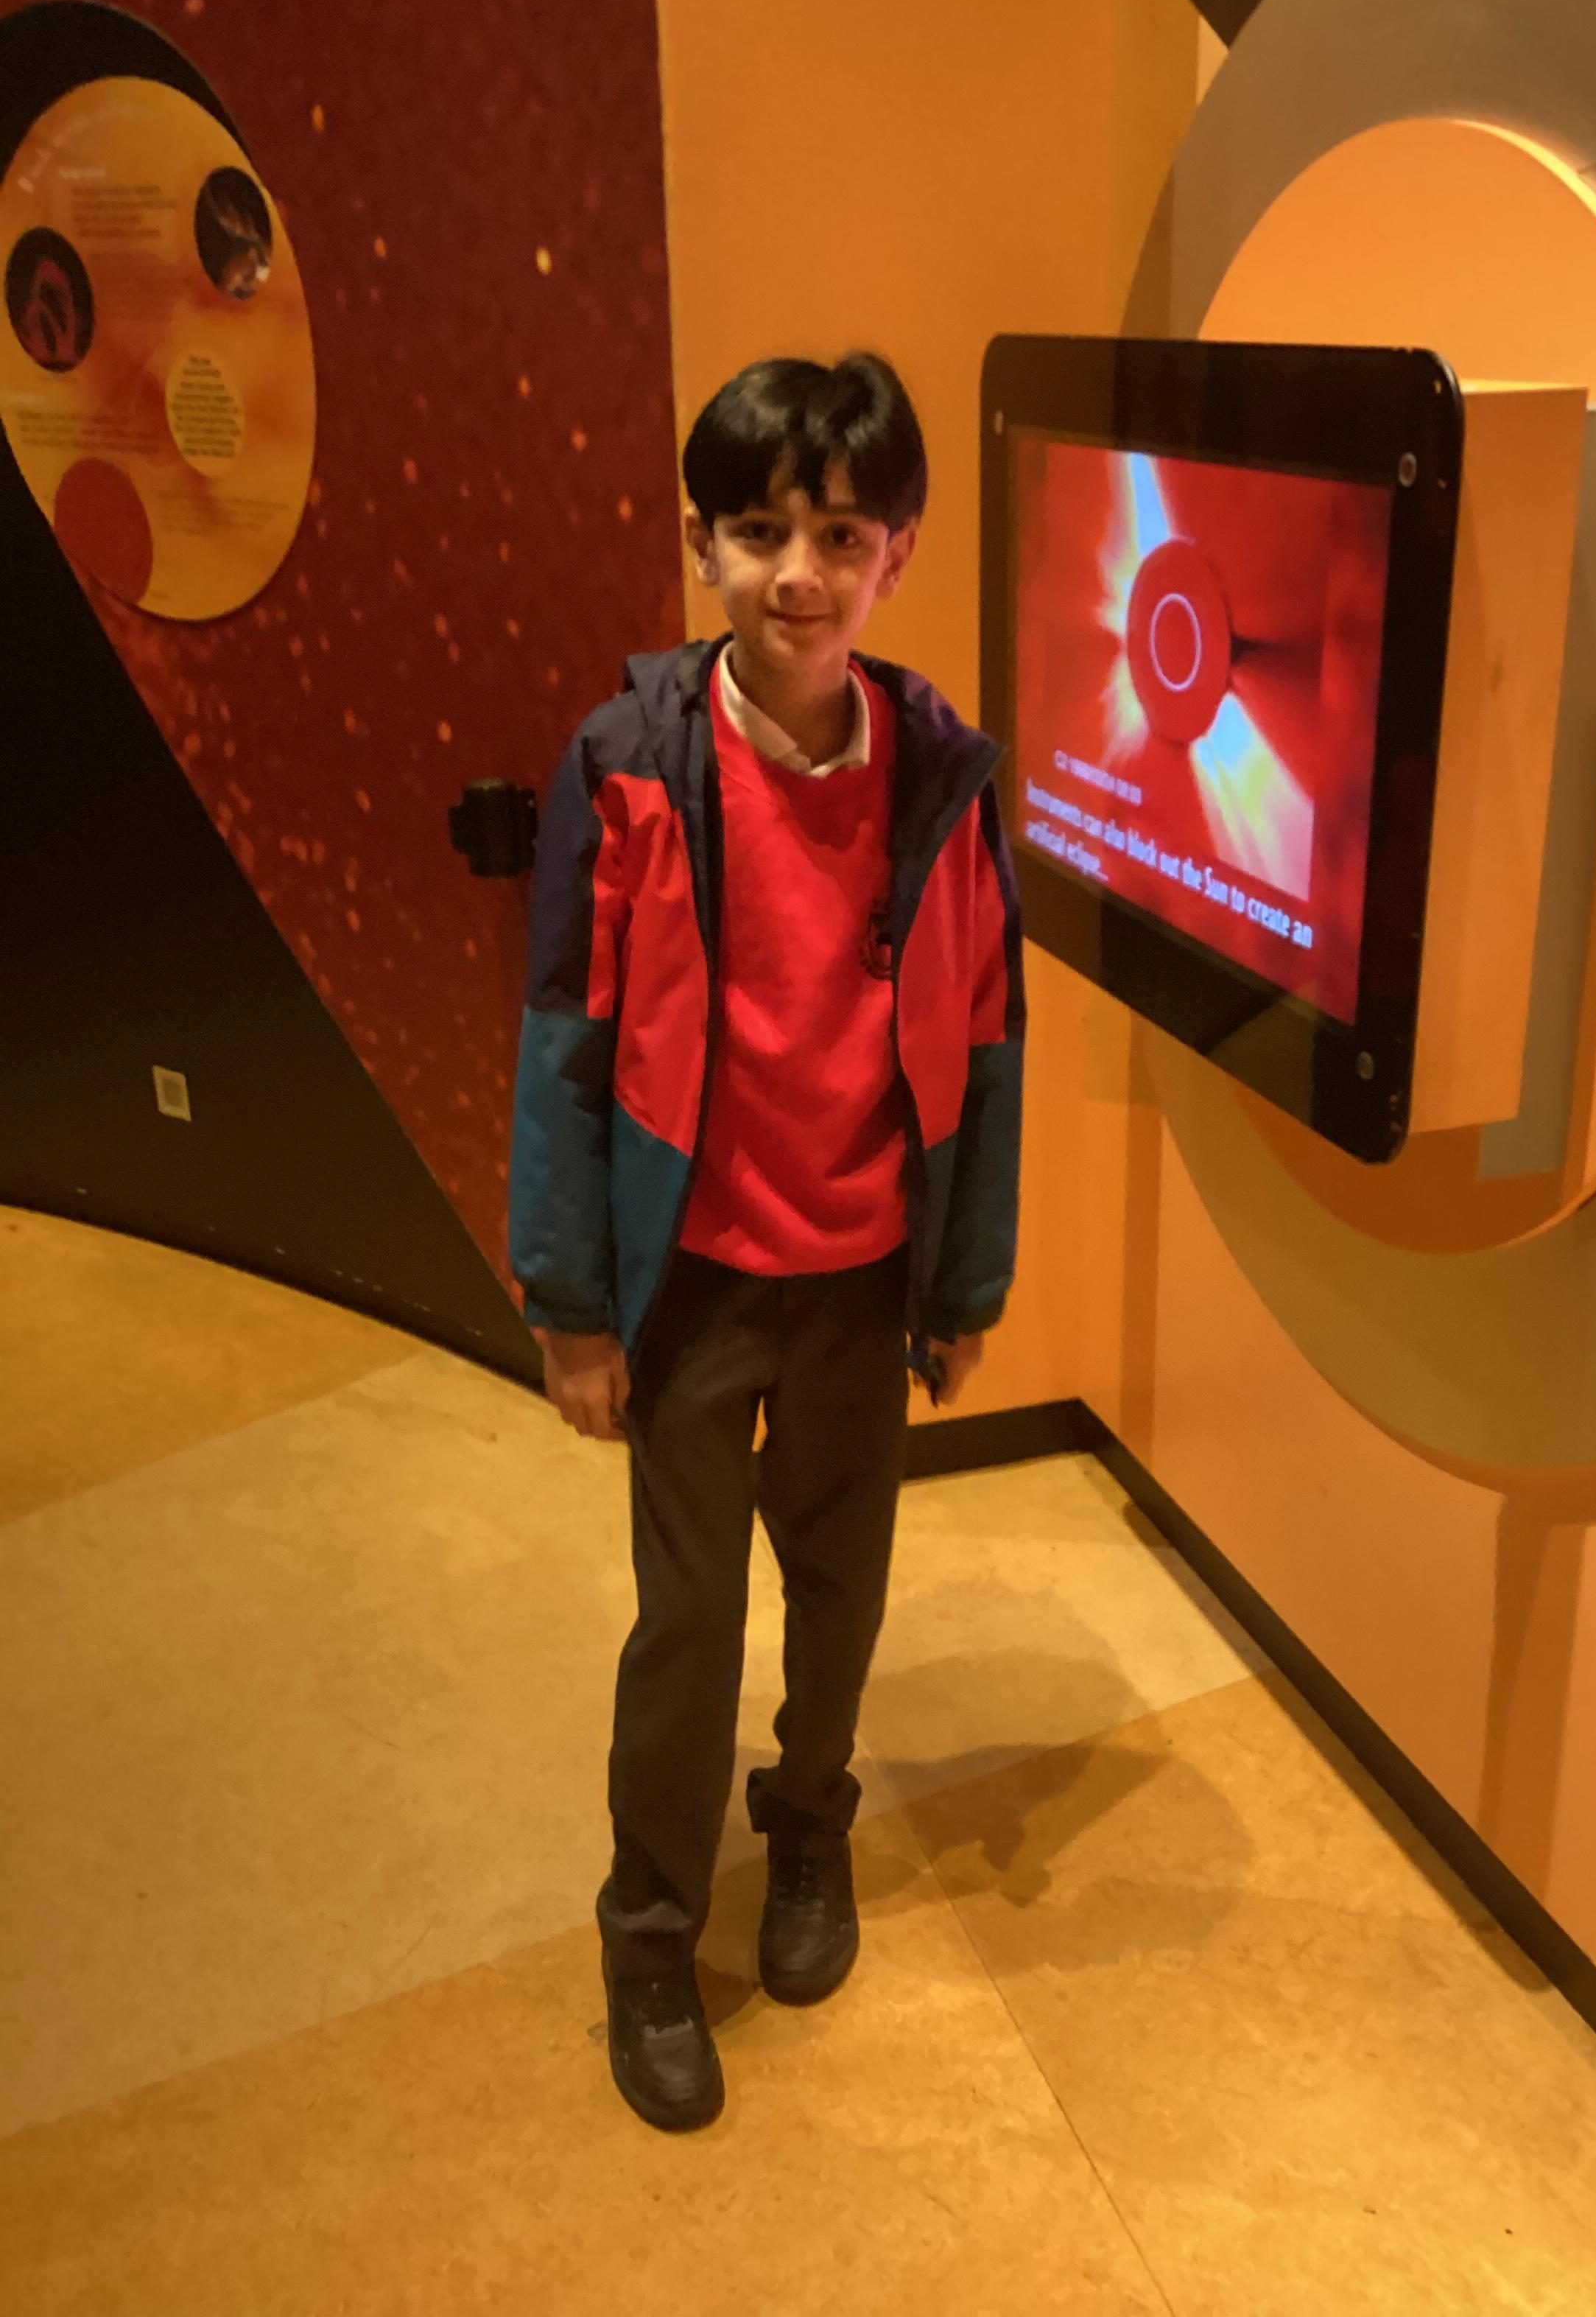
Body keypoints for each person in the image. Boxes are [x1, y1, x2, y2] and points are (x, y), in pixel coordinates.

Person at [507, 351, 1025, 2132]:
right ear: (701, 541)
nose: (798, 575)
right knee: (689, 1622)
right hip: (693, 1283)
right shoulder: (628, 765)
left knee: (841, 1592)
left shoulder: (945, 774)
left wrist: (965, 1283)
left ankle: (809, 1827)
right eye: (757, 533)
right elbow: (565, 1045)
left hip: (863, 1278)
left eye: (840, 536)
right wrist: (571, 1307)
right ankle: (650, 1931)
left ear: (899, 551)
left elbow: (988, 1037)